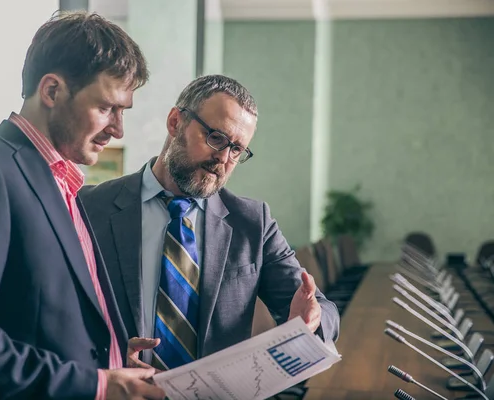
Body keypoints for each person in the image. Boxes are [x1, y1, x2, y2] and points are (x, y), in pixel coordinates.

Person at [0, 11, 165, 400]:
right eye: (108, 107)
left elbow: (31, 312)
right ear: (52, 90)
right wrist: (98, 385)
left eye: (123, 111)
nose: (118, 129)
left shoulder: (67, 186)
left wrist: (107, 354)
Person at [79, 74, 340, 371]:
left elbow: (324, 310)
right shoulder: (90, 207)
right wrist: (104, 357)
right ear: (176, 122)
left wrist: (311, 320)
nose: (224, 158)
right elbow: (55, 318)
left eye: (237, 150)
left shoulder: (253, 223)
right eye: (216, 138)